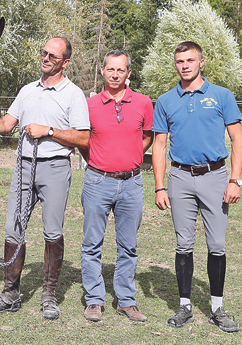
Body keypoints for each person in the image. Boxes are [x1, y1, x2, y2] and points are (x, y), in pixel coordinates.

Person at [0, 37, 90, 319]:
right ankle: (10, 293)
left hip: (55, 167)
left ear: (65, 62)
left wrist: (49, 131)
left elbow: (83, 137)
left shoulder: (73, 94)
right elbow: (6, 124)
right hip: (24, 167)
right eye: (43, 52)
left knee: (52, 232)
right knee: (12, 230)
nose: (45, 58)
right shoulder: (28, 90)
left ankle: (49, 295)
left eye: (53, 56)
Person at [152, 41, 242, 333]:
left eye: (190, 60)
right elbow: (159, 144)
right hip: (179, 178)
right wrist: (159, 186)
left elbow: (238, 139)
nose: (185, 65)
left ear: (201, 62)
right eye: (180, 61)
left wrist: (235, 179)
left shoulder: (221, 95)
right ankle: (185, 307)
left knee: (216, 244)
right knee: (183, 244)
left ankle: (217, 308)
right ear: (175, 64)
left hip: (216, 177)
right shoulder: (166, 100)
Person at [79, 50, 153, 323]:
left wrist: (129, 157)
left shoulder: (143, 102)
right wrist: (100, 162)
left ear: (128, 73)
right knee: (91, 245)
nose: (115, 74)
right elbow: (83, 141)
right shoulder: (89, 104)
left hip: (132, 183)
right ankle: (95, 300)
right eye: (110, 69)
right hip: (97, 181)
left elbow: (147, 137)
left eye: (120, 70)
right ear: (102, 70)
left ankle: (126, 300)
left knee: (129, 246)